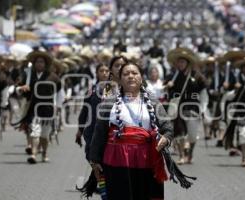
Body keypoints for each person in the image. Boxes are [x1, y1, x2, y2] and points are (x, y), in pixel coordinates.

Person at [89, 61, 174, 200]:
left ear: (141, 78)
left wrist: (166, 138)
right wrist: (94, 159)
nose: (130, 76)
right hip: (117, 160)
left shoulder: (152, 100)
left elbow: (167, 126)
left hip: (147, 159)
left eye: (134, 73)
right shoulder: (109, 102)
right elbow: (99, 131)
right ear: (120, 79)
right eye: (126, 74)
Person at [16, 51, 61, 164]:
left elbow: (58, 93)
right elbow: (18, 88)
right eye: (37, 62)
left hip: (48, 110)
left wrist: (57, 107)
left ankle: (44, 153)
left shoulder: (53, 77)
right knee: (35, 132)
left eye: (41, 62)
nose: (39, 64)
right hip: (33, 108)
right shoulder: (28, 75)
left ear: (45, 64)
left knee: (44, 135)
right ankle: (34, 154)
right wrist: (22, 88)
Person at [166, 47, 208, 165]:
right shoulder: (172, 76)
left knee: (193, 135)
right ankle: (181, 155)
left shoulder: (197, 76)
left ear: (188, 63)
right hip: (178, 109)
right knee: (179, 133)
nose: (180, 64)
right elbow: (164, 92)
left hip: (193, 108)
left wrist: (204, 109)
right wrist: (168, 86)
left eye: (183, 62)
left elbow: (203, 93)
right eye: (179, 62)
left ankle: (190, 153)